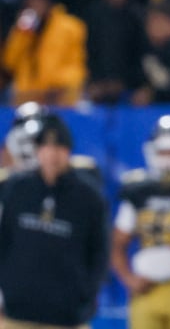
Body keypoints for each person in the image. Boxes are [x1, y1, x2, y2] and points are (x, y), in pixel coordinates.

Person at [0, 113, 110, 328]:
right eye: (45, 147)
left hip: (67, 315)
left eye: (59, 147)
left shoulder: (89, 196)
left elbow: (99, 252)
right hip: (17, 311)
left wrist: (86, 297)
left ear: (68, 151)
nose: (52, 155)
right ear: (38, 150)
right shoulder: (14, 188)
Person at [111, 114, 170, 329]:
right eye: (164, 151)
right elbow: (117, 243)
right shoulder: (137, 191)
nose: (169, 158)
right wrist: (129, 279)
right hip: (146, 287)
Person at [1, 0, 88, 106]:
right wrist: (22, 35)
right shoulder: (23, 27)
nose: (35, 4)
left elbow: (76, 67)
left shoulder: (71, 27)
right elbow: (10, 62)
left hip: (59, 98)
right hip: (26, 99)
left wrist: (57, 86)